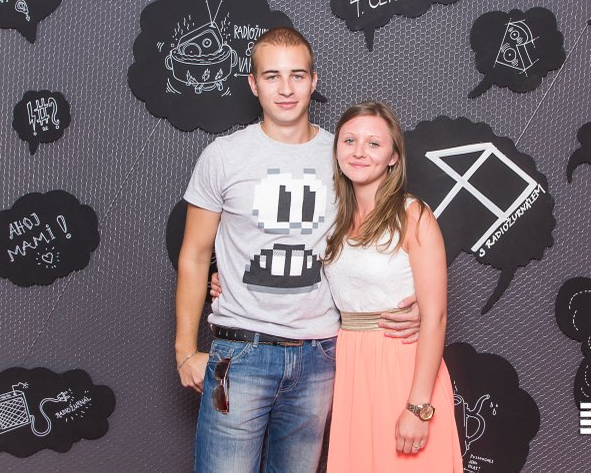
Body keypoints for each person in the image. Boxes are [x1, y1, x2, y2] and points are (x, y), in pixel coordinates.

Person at [175, 27, 419, 473]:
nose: (286, 89)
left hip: (319, 356)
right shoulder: (223, 156)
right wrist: (185, 350)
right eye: (272, 76)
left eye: (297, 75)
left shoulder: (344, 155)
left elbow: (379, 235)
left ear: (314, 81)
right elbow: (194, 254)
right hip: (241, 351)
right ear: (253, 84)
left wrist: (416, 303)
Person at [322, 101, 463, 472]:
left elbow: (435, 317)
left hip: (402, 366)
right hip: (352, 369)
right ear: (336, 150)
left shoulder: (412, 214)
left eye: (373, 143)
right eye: (349, 141)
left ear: (393, 157)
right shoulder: (333, 218)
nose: (359, 152)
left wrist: (418, 406)